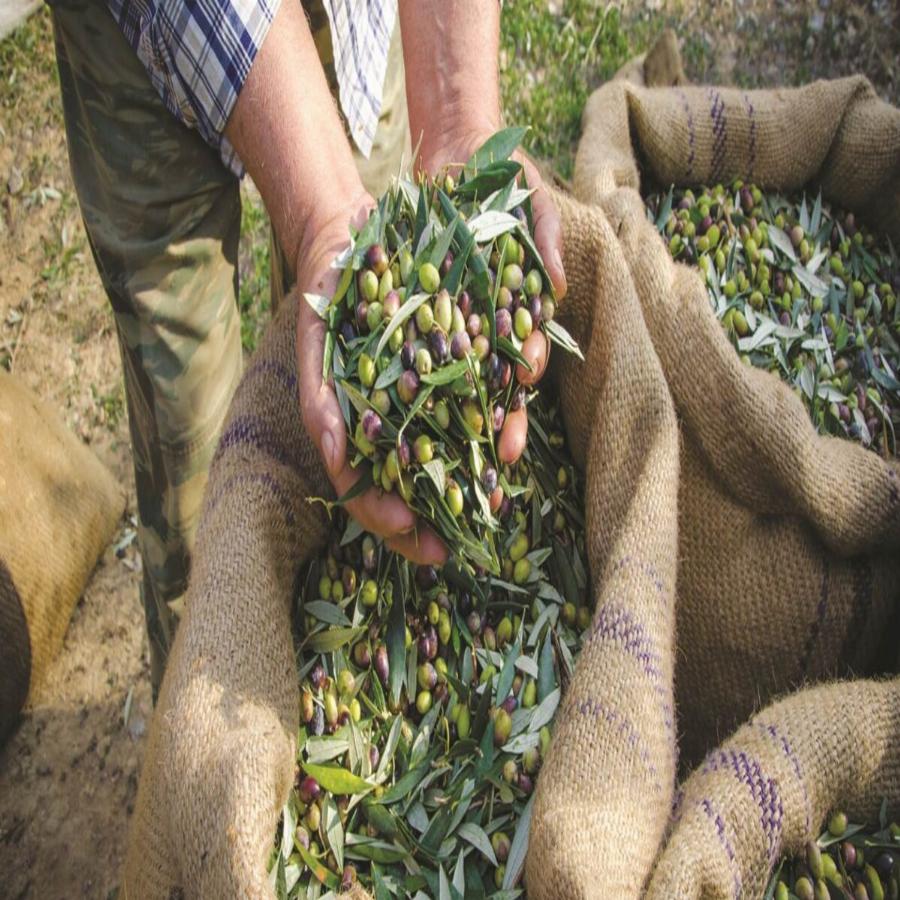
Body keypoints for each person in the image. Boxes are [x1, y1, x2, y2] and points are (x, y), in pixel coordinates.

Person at [49, 0, 567, 693]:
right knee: (195, 449)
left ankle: (325, 661)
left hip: (356, 23)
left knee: (343, 320)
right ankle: (204, 686)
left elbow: (381, 261)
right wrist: (318, 213)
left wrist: (457, 117)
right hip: (138, 28)